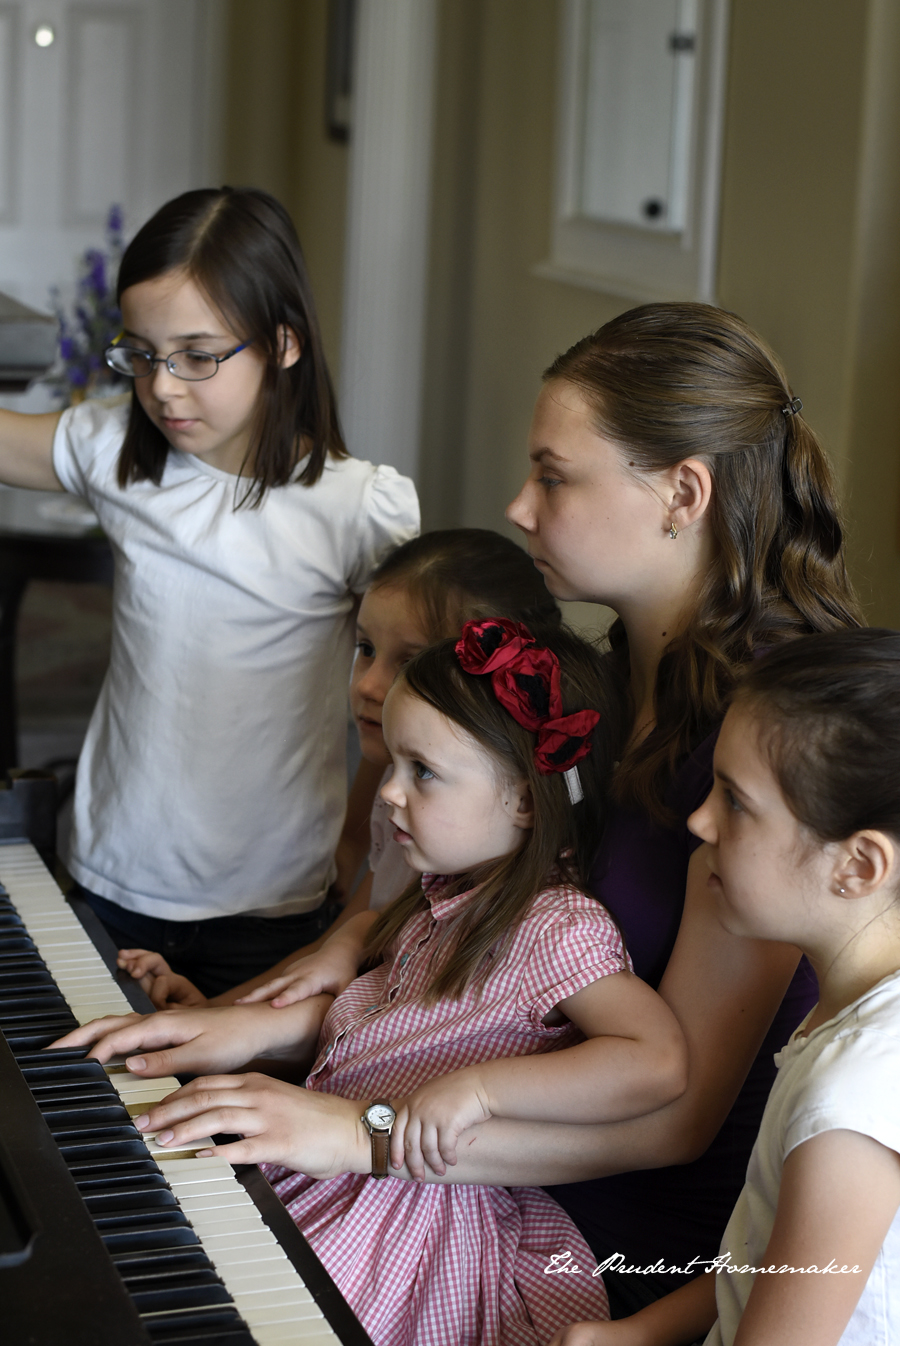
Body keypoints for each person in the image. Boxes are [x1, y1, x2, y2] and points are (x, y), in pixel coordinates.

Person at [152, 300, 859, 1317]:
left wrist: (364, 1129)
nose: (519, 507)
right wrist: (352, 942)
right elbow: (511, 889)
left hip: (615, 1229)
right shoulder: (618, 668)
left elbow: (680, 1111)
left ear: (682, 493)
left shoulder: (760, 738)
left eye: (554, 475)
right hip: (491, 1139)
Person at [57, 620, 689, 1346]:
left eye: (422, 771)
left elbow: (657, 1058)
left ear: (523, 799)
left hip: (410, 1223)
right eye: (393, 762)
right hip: (336, 1160)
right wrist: (224, 1021)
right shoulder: (441, 898)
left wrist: (483, 1091)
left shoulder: (555, 926)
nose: (387, 791)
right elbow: (371, 1040)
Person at [0, 186, 418, 996]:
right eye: (143, 354)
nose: (163, 387)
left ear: (284, 343)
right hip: (111, 876)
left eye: (197, 355)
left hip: (271, 900)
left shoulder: (354, 506)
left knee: (225, 1113)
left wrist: (357, 841)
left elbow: (395, 700)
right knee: (87, 1087)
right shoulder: (121, 453)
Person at [550, 629, 900, 1346]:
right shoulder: (861, 1017)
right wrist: (643, 1331)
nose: (699, 819)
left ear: (858, 867)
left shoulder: (849, 1104)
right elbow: (773, 1256)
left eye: (735, 802)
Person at [118, 527, 564, 1008]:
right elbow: (338, 950)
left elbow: (365, 987)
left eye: (409, 663)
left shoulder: (458, 833)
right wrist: (216, 1010)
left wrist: (214, 1024)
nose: (369, 685)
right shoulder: (402, 788)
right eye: (365, 649)